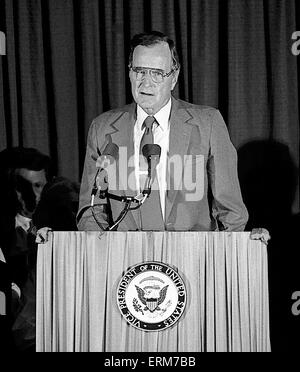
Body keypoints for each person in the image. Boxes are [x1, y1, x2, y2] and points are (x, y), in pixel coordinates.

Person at [77, 31, 248, 232]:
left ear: (173, 77)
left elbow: (232, 213)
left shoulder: (208, 123)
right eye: (140, 71)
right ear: (130, 73)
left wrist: (215, 259)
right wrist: (108, 256)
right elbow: (91, 211)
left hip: (191, 257)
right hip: (125, 258)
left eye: (157, 73)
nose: (146, 82)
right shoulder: (103, 128)